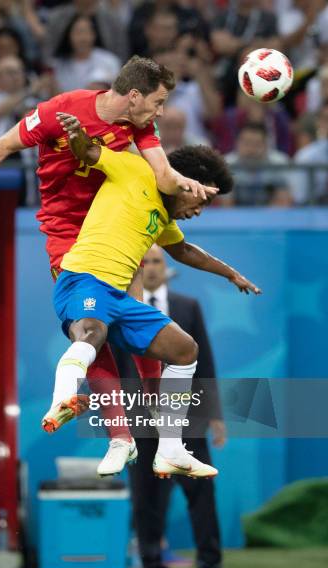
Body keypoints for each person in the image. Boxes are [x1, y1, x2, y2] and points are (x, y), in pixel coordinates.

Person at [0, 56, 219, 477]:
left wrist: (193, 186)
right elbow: (5, 144)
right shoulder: (58, 110)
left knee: (142, 319)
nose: (160, 112)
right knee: (91, 325)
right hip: (67, 232)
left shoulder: (142, 126)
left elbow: (165, 175)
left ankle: (161, 433)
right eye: (156, 102)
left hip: (114, 226)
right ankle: (120, 436)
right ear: (133, 95)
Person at [40, 111, 261, 480]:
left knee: (185, 349)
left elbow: (185, 252)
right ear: (188, 182)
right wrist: (78, 135)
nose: (197, 212)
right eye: (200, 202)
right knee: (93, 334)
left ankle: (171, 449)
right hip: (82, 281)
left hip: (119, 299)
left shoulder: (164, 218)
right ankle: (63, 398)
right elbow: (89, 154)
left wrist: (230, 273)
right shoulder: (134, 169)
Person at [113, 244, 243, 568]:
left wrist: (215, 415)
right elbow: (112, 367)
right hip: (140, 419)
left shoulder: (188, 307)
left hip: (187, 418)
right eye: (145, 262)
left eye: (156, 261)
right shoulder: (122, 311)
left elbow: (206, 362)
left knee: (202, 495)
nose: (151, 268)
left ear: (165, 266)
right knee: (146, 499)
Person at [222, 122, 293, 207]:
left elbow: (283, 202)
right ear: (237, 143)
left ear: (266, 145)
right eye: (247, 143)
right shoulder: (227, 165)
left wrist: (261, 218)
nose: (251, 149)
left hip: (269, 217)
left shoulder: (278, 163)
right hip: (238, 217)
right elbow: (227, 206)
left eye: (257, 144)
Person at [50, 14, 121, 93]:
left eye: (87, 32)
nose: (83, 38)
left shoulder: (110, 61)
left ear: (94, 35)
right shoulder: (59, 65)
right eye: (78, 33)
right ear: (69, 36)